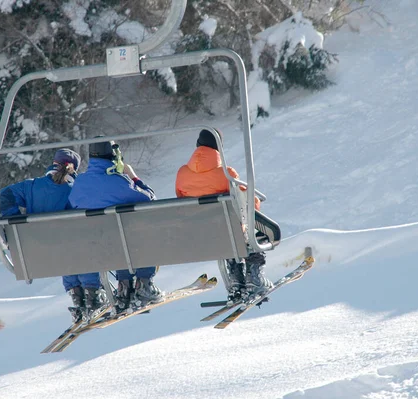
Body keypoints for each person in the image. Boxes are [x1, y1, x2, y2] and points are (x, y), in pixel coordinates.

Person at [0, 148, 97, 324]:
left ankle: (77, 297)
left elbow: (5, 194)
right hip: (74, 250)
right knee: (79, 245)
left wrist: (15, 221)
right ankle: (92, 295)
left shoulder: (31, 186)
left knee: (63, 250)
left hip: (41, 250)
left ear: (54, 163)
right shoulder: (75, 189)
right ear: (73, 168)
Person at [175, 128, 273, 301]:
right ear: (218, 148)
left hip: (201, 234)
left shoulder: (182, 174)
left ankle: (236, 280)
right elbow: (248, 202)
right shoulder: (227, 174)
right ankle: (254, 278)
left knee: (225, 234)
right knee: (251, 232)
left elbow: (181, 200)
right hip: (228, 232)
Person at [68, 138, 163, 314]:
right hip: (124, 245)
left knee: (116, 237)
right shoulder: (118, 181)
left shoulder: (80, 184)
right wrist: (133, 177)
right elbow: (149, 199)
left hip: (95, 247)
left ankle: (124, 287)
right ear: (113, 156)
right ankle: (143, 283)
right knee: (138, 233)